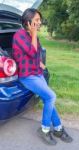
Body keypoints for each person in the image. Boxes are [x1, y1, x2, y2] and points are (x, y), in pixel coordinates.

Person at [12, 8, 73, 146]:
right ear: (28, 22)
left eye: (40, 20)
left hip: (36, 72)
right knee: (51, 96)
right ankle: (45, 129)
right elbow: (32, 52)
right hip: (27, 75)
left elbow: (36, 53)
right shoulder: (19, 35)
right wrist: (34, 34)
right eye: (37, 20)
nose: (40, 23)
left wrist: (40, 63)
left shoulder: (32, 35)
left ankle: (58, 128)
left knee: (48, 98)